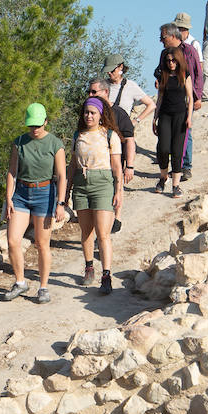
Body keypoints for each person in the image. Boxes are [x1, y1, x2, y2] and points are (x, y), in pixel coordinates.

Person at [2, 104, 67, 305]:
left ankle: (43, 286)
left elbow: (62, 175)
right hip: (21, 193)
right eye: (31, 125)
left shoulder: (55, 144)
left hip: (45, 193)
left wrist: (61, 203)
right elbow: (12, 171)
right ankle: (20, 282)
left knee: (41, 243)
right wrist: (8, 198)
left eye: (38, 125)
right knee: (13, 240)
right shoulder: (19, 143)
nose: (35, 129)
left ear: (46, 122)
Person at [67, 97, 124, 295]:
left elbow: (117, 167)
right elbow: (73, 164)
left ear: (101, 115)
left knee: (103, 233)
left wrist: (118, 192)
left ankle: (106, 275)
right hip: (81, 184)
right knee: (86, 231)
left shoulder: (110, 136)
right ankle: (89, 267)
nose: (89, 116)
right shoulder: (78, 135)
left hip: (102, 183)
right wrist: (66, 192)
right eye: (86, 112)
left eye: (93, 112)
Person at [86, 78, 135, 232]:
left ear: (105, 92)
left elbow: (129, 140)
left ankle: (116, 219)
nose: (90, 95)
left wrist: (130, 166)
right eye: (89, 91)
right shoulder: (88, 113)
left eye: (94, 91)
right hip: (94, 166)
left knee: (115, 191)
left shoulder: (119, 114)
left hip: (114, 163)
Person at [160, 17, 204, 180]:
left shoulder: (189, 50)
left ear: (172, 36)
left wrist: (198, 96)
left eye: (163, 37)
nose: (161, 41)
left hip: (187, 97)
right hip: (170, 99)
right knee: (171, 134)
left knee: (185, 130)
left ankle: (185, 166)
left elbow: (198, 73)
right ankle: (175, 167)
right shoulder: (165, 54)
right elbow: (160, 72)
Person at [152, 47, 193, 196]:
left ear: (178, 60)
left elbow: (190, 97)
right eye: (168, 60)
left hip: (180, 116)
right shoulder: (163, 75)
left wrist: (189, 117)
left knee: (177, 151)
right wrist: (155, 117)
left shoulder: (184, 74)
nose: (171, 63)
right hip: (165, 115)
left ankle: (176, 185)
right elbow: (160, 97)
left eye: (173, 60)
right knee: (163, 149)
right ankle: (163, 177)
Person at [100, 56, 156, 126]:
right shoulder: (101, 85)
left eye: (112, 70)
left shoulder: (130, 86)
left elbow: (151, 105)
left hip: (122, 130)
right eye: (107, 71)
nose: (109, 73)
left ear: (121, 67)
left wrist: (135, 121)